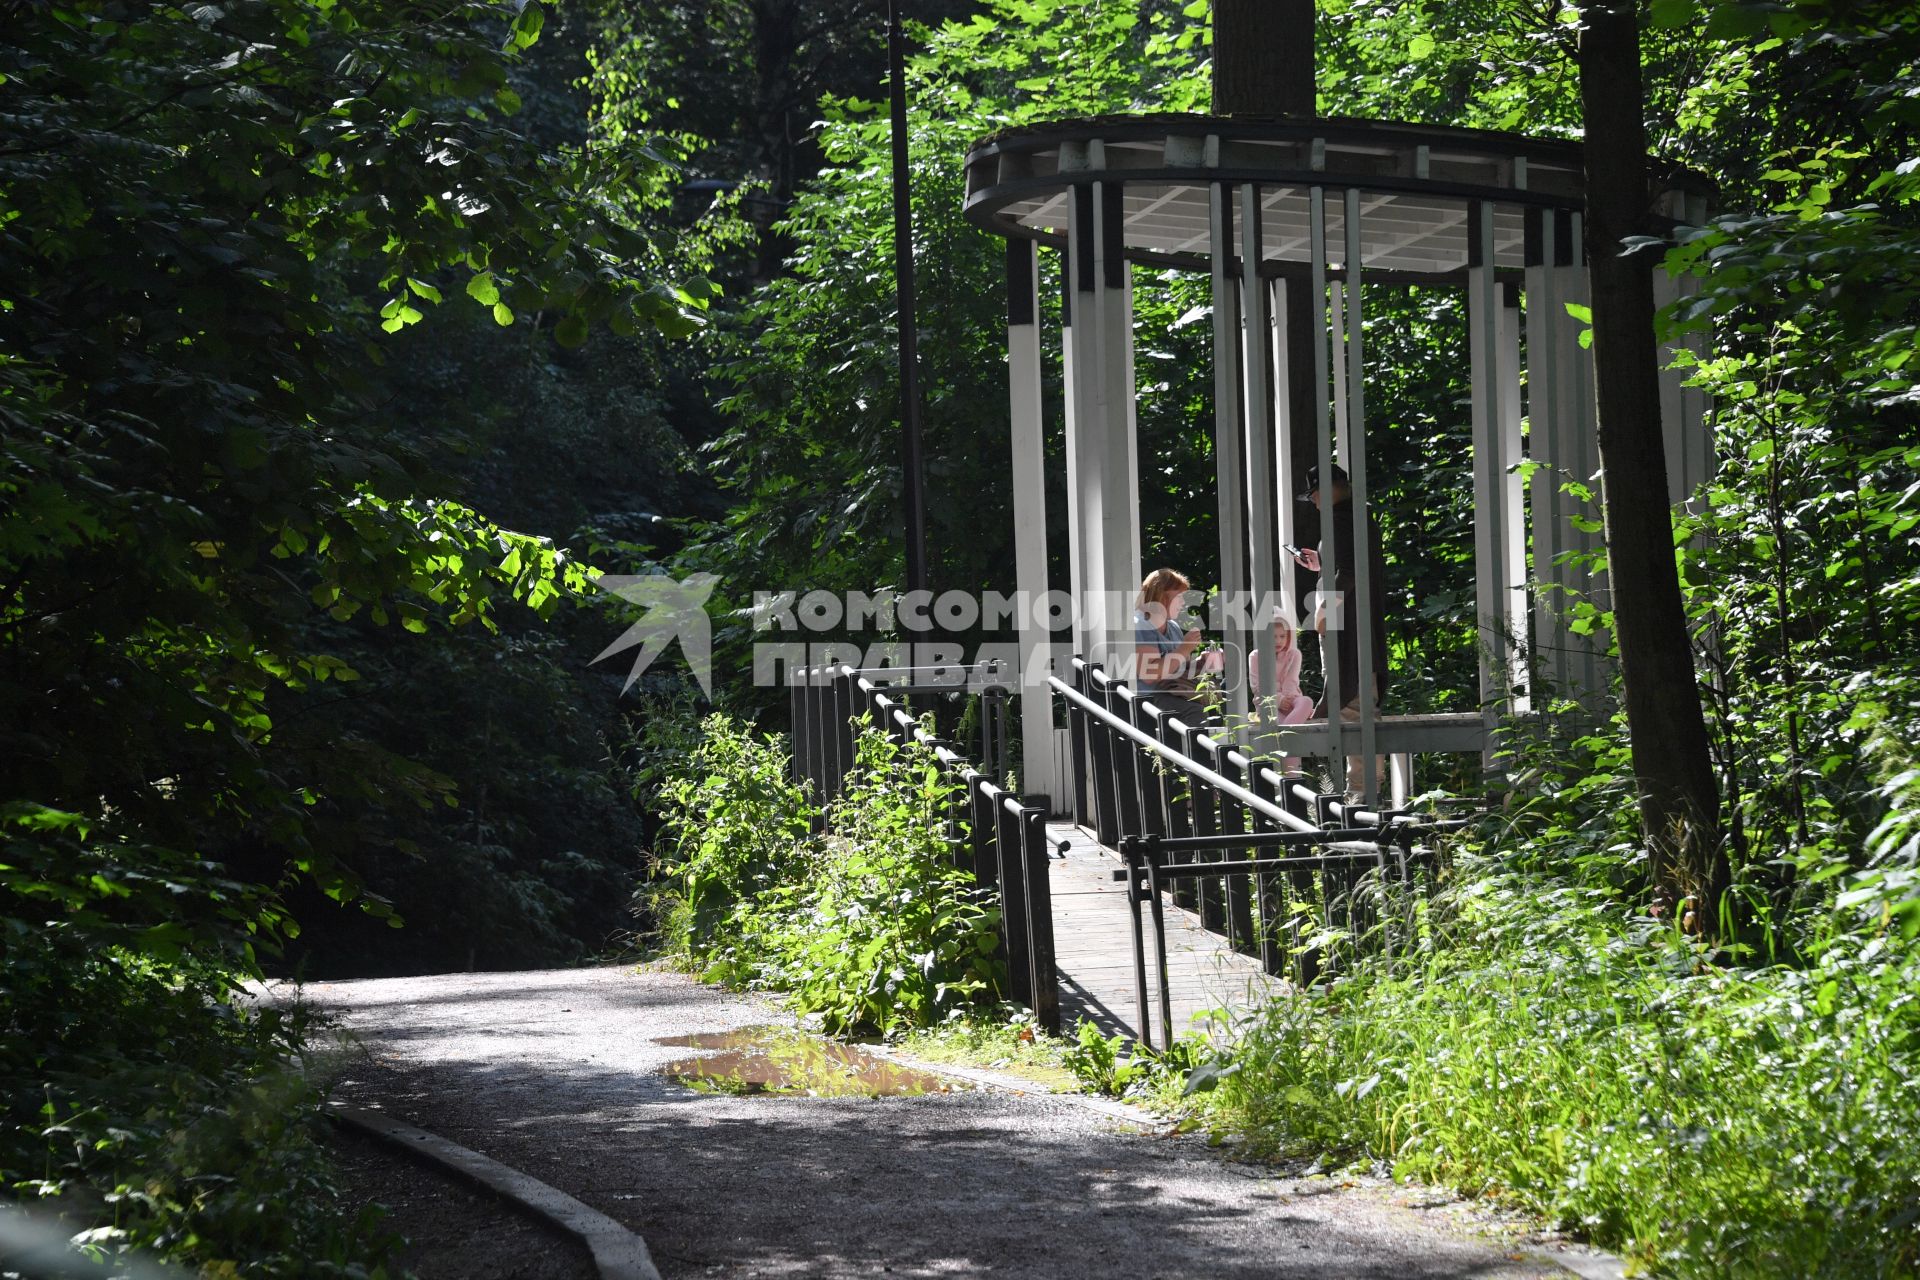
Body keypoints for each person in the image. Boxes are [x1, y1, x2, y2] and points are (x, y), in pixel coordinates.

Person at [1290, 463, 1390, 797]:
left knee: (1354, 706)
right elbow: (1349, 566)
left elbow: (1349, 572)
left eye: (1315, 494)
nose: (1315, 502)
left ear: (1331, 489)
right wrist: (1320, 565)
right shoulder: (1357, 519)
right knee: (1352, 704)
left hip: (1350, 635)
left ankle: (1363, 794)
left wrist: (1322, 610)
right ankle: (1362, 790)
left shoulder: (1342, 520)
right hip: (1353, 631)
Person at [1132, 567, 1209, 722]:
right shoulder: (1140, 624)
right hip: (1149, 700)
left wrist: (1202, 662)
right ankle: (1194, 747)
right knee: (1196, 713)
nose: (1183, 602)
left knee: (1215, 704)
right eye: (1179, 596)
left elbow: (1179, 670)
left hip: (1173, 693)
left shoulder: (1172, 627)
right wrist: (1184, 649)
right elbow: (1150, 674)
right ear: (1161, 594)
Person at [1248, 607, 1313, 771]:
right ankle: (1292, 776)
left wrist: (1286, 698)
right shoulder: (1255, 656)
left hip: (1291, 700)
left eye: (1282, 636)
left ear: (1289, 636)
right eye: (1273, 637)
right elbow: (1258, 686)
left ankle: (1284, 735)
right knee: (1277, 718)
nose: (1278, 641)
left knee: (1306, 701)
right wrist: (1278, 699)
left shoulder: (1294, 654)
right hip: (1268, 703)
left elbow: (1291, 681)